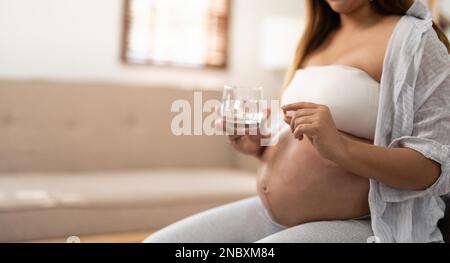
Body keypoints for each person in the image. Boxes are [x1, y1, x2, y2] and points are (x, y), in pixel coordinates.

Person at [145, 0, 450, 243]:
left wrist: (340, 147)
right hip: (271, 214)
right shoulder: (318, 39)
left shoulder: (415, 39)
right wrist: (259, 148)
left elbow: (436, 168)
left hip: (363, 224)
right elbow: (302, 144)